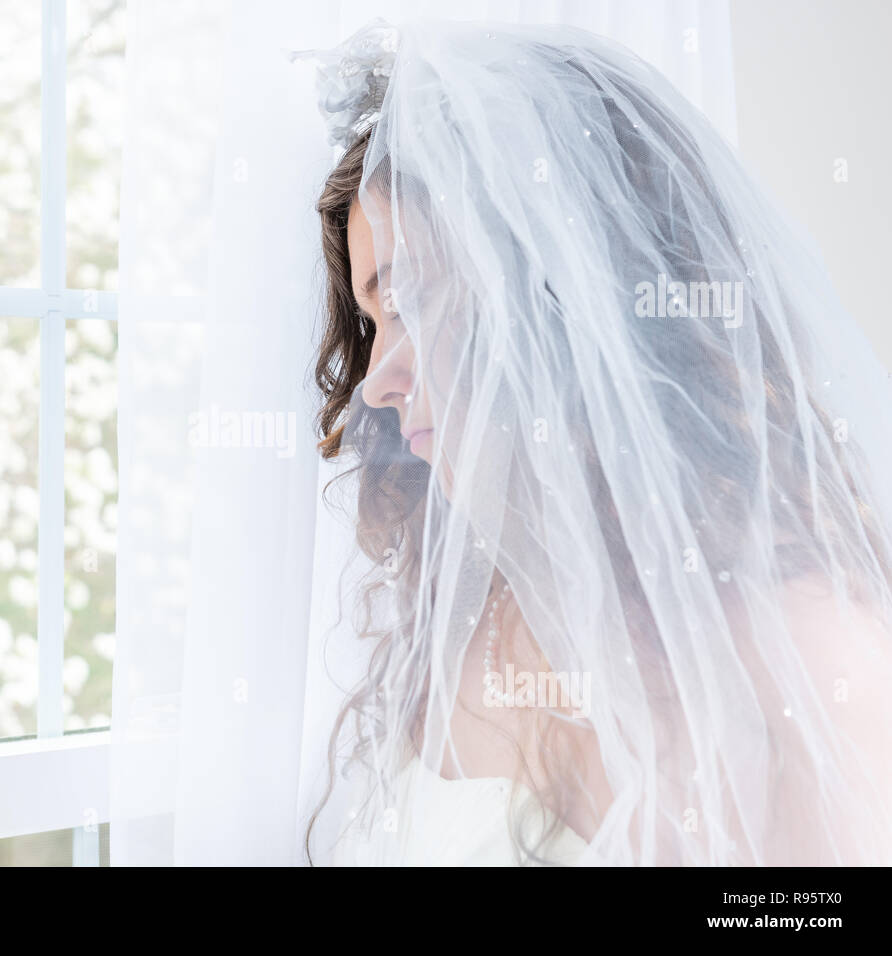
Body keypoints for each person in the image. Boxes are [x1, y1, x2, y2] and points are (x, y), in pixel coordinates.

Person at [294, 18, 892, 865]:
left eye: (414, 304)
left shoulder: (806, 653)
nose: (377, 382)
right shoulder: (461, 615)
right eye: (370, 320)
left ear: (566, 301)